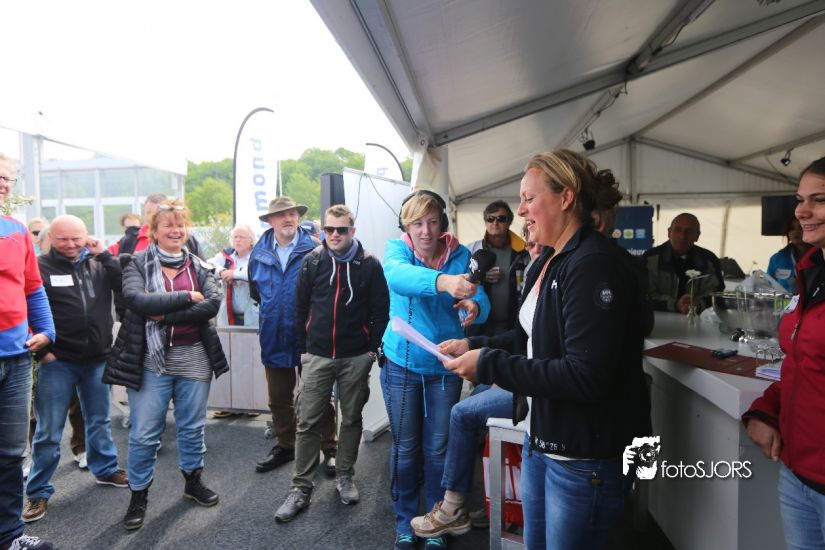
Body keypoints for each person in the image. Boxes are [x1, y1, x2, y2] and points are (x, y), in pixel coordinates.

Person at [440, 150, 651, 549]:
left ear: (566, 197)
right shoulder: (549, 260)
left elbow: (585, 376)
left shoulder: (593, 264)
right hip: (541, 437)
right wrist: (475, 343)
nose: (520, 211)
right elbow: (530, 337)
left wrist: (488, 364)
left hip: (584, 457)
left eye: (528, 198)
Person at [102, 199, 228, 531]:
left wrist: (165, 315)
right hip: (149, 359)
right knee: (145, 434)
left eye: (180, 224)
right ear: (154, 231)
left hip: (194, 356)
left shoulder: (200, 266)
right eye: (168, 225)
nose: (175, 230)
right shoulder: (136, 262)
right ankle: (138, 495)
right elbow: (137, 300)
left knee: (192, 427)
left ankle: (193, 482)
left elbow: (212, 305)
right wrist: (187, 297)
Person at [411, 232, 544, 540]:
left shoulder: (558, 277)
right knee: (478, 399)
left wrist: (495, 367)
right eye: (530, 244)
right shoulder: (537, 275)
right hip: (523, 376)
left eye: (541, 244)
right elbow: (520, 339)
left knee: (462, 413)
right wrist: (471, 344)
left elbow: (551, 359)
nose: (535, 249)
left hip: (538, 389)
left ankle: (453, 506)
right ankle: (492, 500)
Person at [380, 189, 490, 550]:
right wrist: (445, 282)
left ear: (442, 221)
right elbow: (397, 277)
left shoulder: (461, 255)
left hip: (445, 367)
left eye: (431, 221)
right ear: (406, 226)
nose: (425, 231)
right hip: (402, 365)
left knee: (439, 448)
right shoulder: (397, 251)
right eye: (417, 223)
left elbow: (480, 298)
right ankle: (404, 522)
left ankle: (436, 522)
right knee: (405, 448)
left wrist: (475, 306)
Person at [275, 204, 390, 522]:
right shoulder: (312, 261)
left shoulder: (369, 265)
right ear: (323, 230)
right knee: (307, 421)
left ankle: (345, 476)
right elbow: (299, 308)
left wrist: (371, 351)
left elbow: (381, 311)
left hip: (356, 356)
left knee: (351, 419)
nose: (335, 235)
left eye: (341, 229)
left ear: (353, 231)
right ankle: (301, 488)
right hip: (318, 355)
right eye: (329, 229)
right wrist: (304, 351)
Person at [23, 215, 128, 523]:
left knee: (99, 420)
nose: (70, 244)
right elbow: (25, 309)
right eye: (62, 239)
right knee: (48, 431)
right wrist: (43, 352)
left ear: (87, 236)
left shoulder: (99, 263)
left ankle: (105, 469)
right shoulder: (40, 267)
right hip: (58, 362)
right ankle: (38, 491)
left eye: (76, 238)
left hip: (97, 358)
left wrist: (105, 255)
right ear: (50, 239)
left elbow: (125, 288)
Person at [744, 156, 825, 550]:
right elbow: (802, 365)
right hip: (797, 474)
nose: (801, 212)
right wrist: (765, 409)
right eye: (800, 200)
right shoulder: (811, 270)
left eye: (819, 200)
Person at [249, 197, 336, 474]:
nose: (288, 218)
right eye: (281, 215)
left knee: (318, 394)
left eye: (293, 213)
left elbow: (328, 293)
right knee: (278, 398)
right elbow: (256, 293)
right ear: (270, 221)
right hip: (274, 335)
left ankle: (330, 447)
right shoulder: (258, 253)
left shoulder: (317, 249)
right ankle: (286, 445)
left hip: (310, 336)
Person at [0, 153, 56, 550]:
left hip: (17, 358)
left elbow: (33, 288)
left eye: (7, 178)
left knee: (9, 453)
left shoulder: (17, 230)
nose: (3, 183)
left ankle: (9, 536)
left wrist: (47, 330)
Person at [643, 212, 724, 313]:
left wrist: (698, 303)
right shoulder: (650, 259)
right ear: (669, 232)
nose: (682, 236)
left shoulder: (709, 260)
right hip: (660, 319)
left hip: (698, 319)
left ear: (697, 236)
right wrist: (675, 305)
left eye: (689, 232)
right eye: (677, 230)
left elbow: (718, 295)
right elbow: (642, 295)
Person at [466, 201, 526, 337]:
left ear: (509, 222)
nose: (495, 222)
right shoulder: (471, 249)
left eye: (501, 218)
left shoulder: (524, 252)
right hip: (478, 327)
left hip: (514, 327)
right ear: (485, 222)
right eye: (490, 218)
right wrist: (480, 276)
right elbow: (460, 281)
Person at [110, 194, 203, 258]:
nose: (152, 218)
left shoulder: (188, 240)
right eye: (149, 213)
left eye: (155, 213)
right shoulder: (130, 240)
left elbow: (202, 270)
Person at [208, 223, 259, 328]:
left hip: (254, 317)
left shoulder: (259, 256)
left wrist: (233, 274)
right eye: (235, 237)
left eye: (242, 237)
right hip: (228, 316)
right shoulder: (227, 255)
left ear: (251, 240)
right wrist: (222, 272)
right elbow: (208, 264)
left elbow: (256, 272)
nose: (237, 240)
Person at [767, 217, 811, 294]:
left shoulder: (821, 256)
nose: (796, 231)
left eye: (801, 227)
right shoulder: (777, 259)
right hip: (785, 301)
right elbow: (768, 287)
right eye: (791, 228)